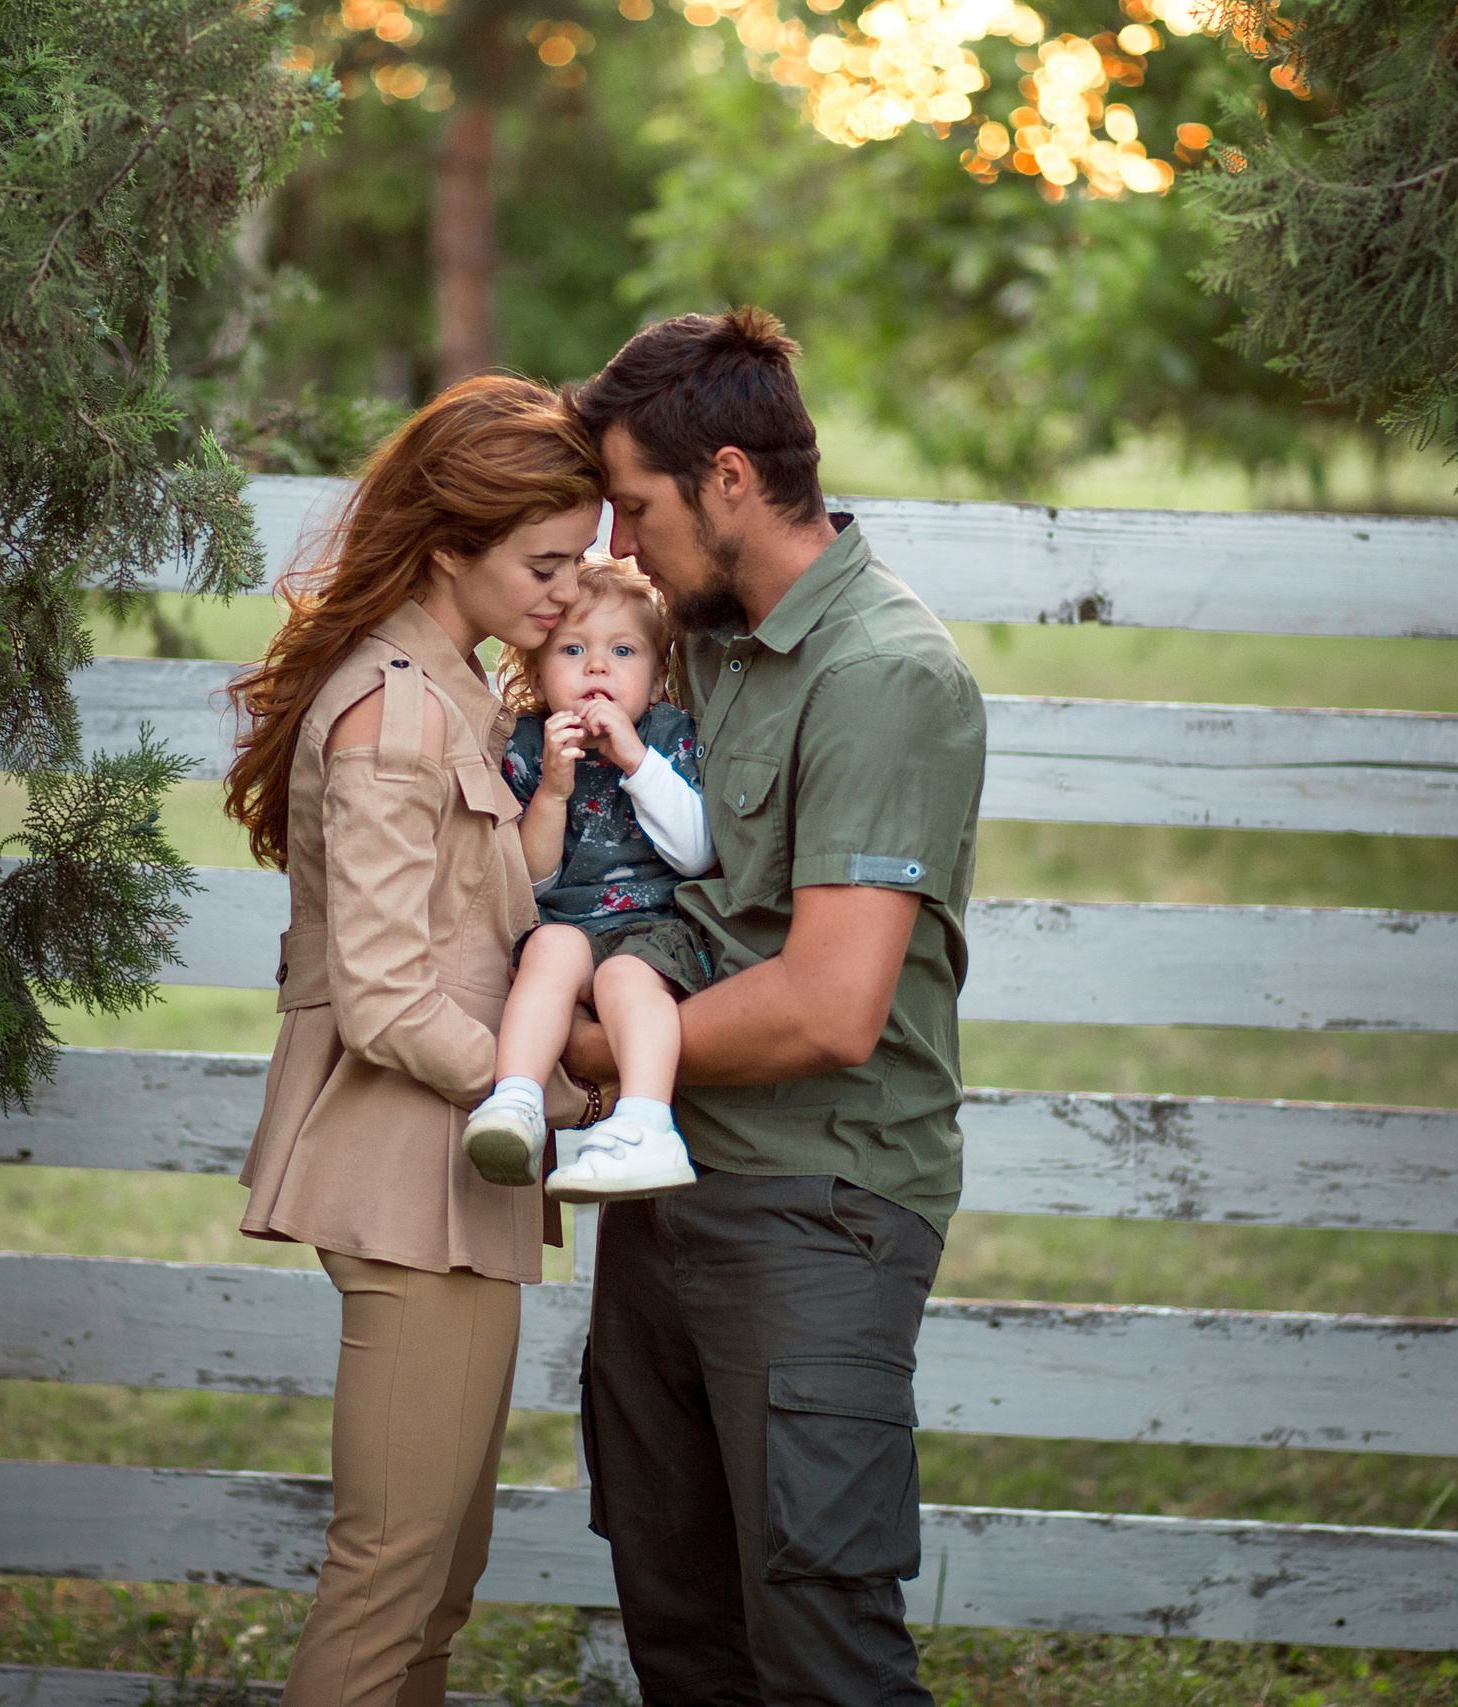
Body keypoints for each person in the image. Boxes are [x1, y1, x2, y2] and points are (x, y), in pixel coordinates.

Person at [566, 309, 987, 1704]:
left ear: (730, 479)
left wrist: (593, 1051)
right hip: (664, 1192)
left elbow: (828, 1008)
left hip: (817, 1211)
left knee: (819, 1653)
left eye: (635, 506)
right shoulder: (697, 643)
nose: (620, 544)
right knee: (681, 1633)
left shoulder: (882, 673)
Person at [223, 375, 603, 1707]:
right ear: (449, 545)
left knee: (438, 1579)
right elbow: (384, 998)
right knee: (390, 1581)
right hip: (407, 1177)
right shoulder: (395, 712)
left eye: (580, 559)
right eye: (545, 566)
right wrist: (560, 1089)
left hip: (459, 1172)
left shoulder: (455, 690)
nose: (570, 592)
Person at [459, 554, 716, 1202]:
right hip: (569, 925)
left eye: (623, 651)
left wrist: (636, 760)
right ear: (537, 672)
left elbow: (696, 854)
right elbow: (533, 883)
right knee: (548, 947)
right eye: (573, 650)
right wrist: (552, 789)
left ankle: (647, 1123)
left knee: (624, 977)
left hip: (654, 931)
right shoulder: (528, 745)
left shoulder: (669, 735)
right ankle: (517, 1100)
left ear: (657, 680)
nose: (597, 667)